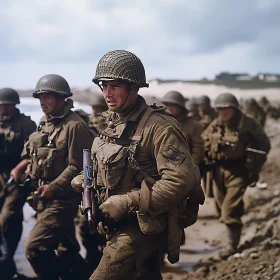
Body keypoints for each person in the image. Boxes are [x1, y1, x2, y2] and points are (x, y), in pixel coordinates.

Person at [71, 50, 205, 280]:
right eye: (104, 85)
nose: (107, 93)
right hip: (116, 221)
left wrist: (126, 201)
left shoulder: (160, 127)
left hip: (146, 221)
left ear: (133, 87)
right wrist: (84, 179)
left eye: (115, 86)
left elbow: (179, 180)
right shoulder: (113, 122)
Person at [11, 74, 93, 280]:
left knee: (34, 248)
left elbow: (79, 166)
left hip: (63, 200)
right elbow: (37, 153)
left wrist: (53, 188)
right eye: (40, 98)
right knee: (67, 251)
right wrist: (23, 166)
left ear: (62, 98)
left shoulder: (75, 126)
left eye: (48, 97)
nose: (43, 102)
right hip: (42, 198)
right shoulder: (44, 122)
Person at [202, 93, 270, 260]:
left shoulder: (247, 123)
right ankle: (230, 233)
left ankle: (232, 246)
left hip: (239, 171)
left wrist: (253, 166)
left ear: (234, 108)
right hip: (218, 171)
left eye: (227, 108)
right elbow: (204, 140)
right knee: (222, 204)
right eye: (220, 109)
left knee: (230, 208)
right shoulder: (216, 124)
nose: (223, 112)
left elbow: (264, 144)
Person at [0, 88, 36, 279]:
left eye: (3, 105)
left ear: (10, 105)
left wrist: (19, 168)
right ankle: (5, 263)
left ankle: (8, 255)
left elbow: (34, 152)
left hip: (16, 175)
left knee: (9, 216)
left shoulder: (25, 124)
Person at [162, 91, 204, 166]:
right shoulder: (160, 123)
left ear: (180, 107)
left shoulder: (194, 125)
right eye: (167, 105)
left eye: (173, 105)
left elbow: (198, 150)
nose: (169, 108)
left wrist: (190, 168)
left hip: (185, 168)